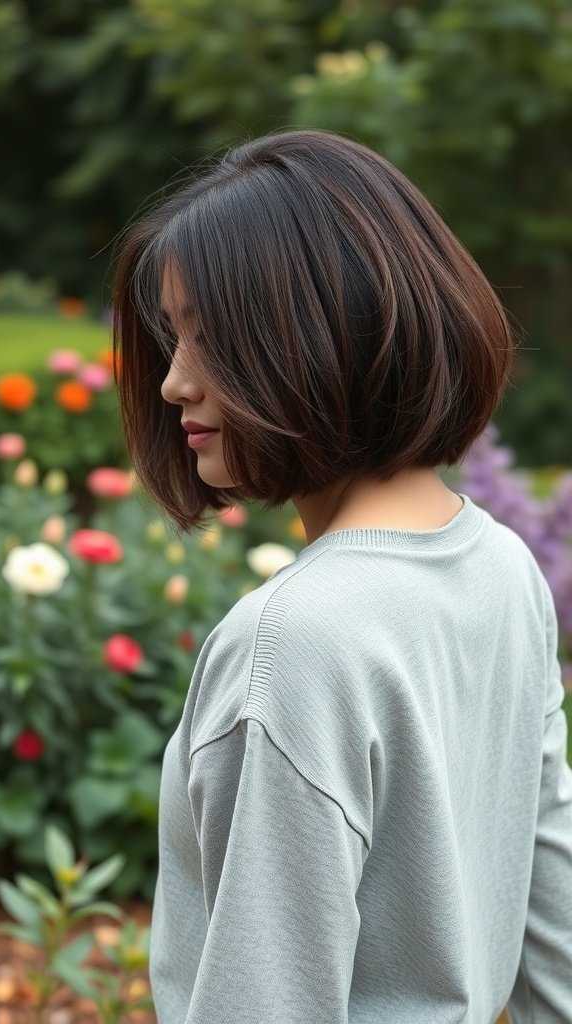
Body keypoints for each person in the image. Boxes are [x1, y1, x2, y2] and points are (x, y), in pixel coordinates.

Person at [112, 129, 572, 1024]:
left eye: (211, 340)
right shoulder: (500, 565)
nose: (173, 383)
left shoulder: (294, 641)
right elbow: (557, 914)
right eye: (176, 339)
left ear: (325, 335)